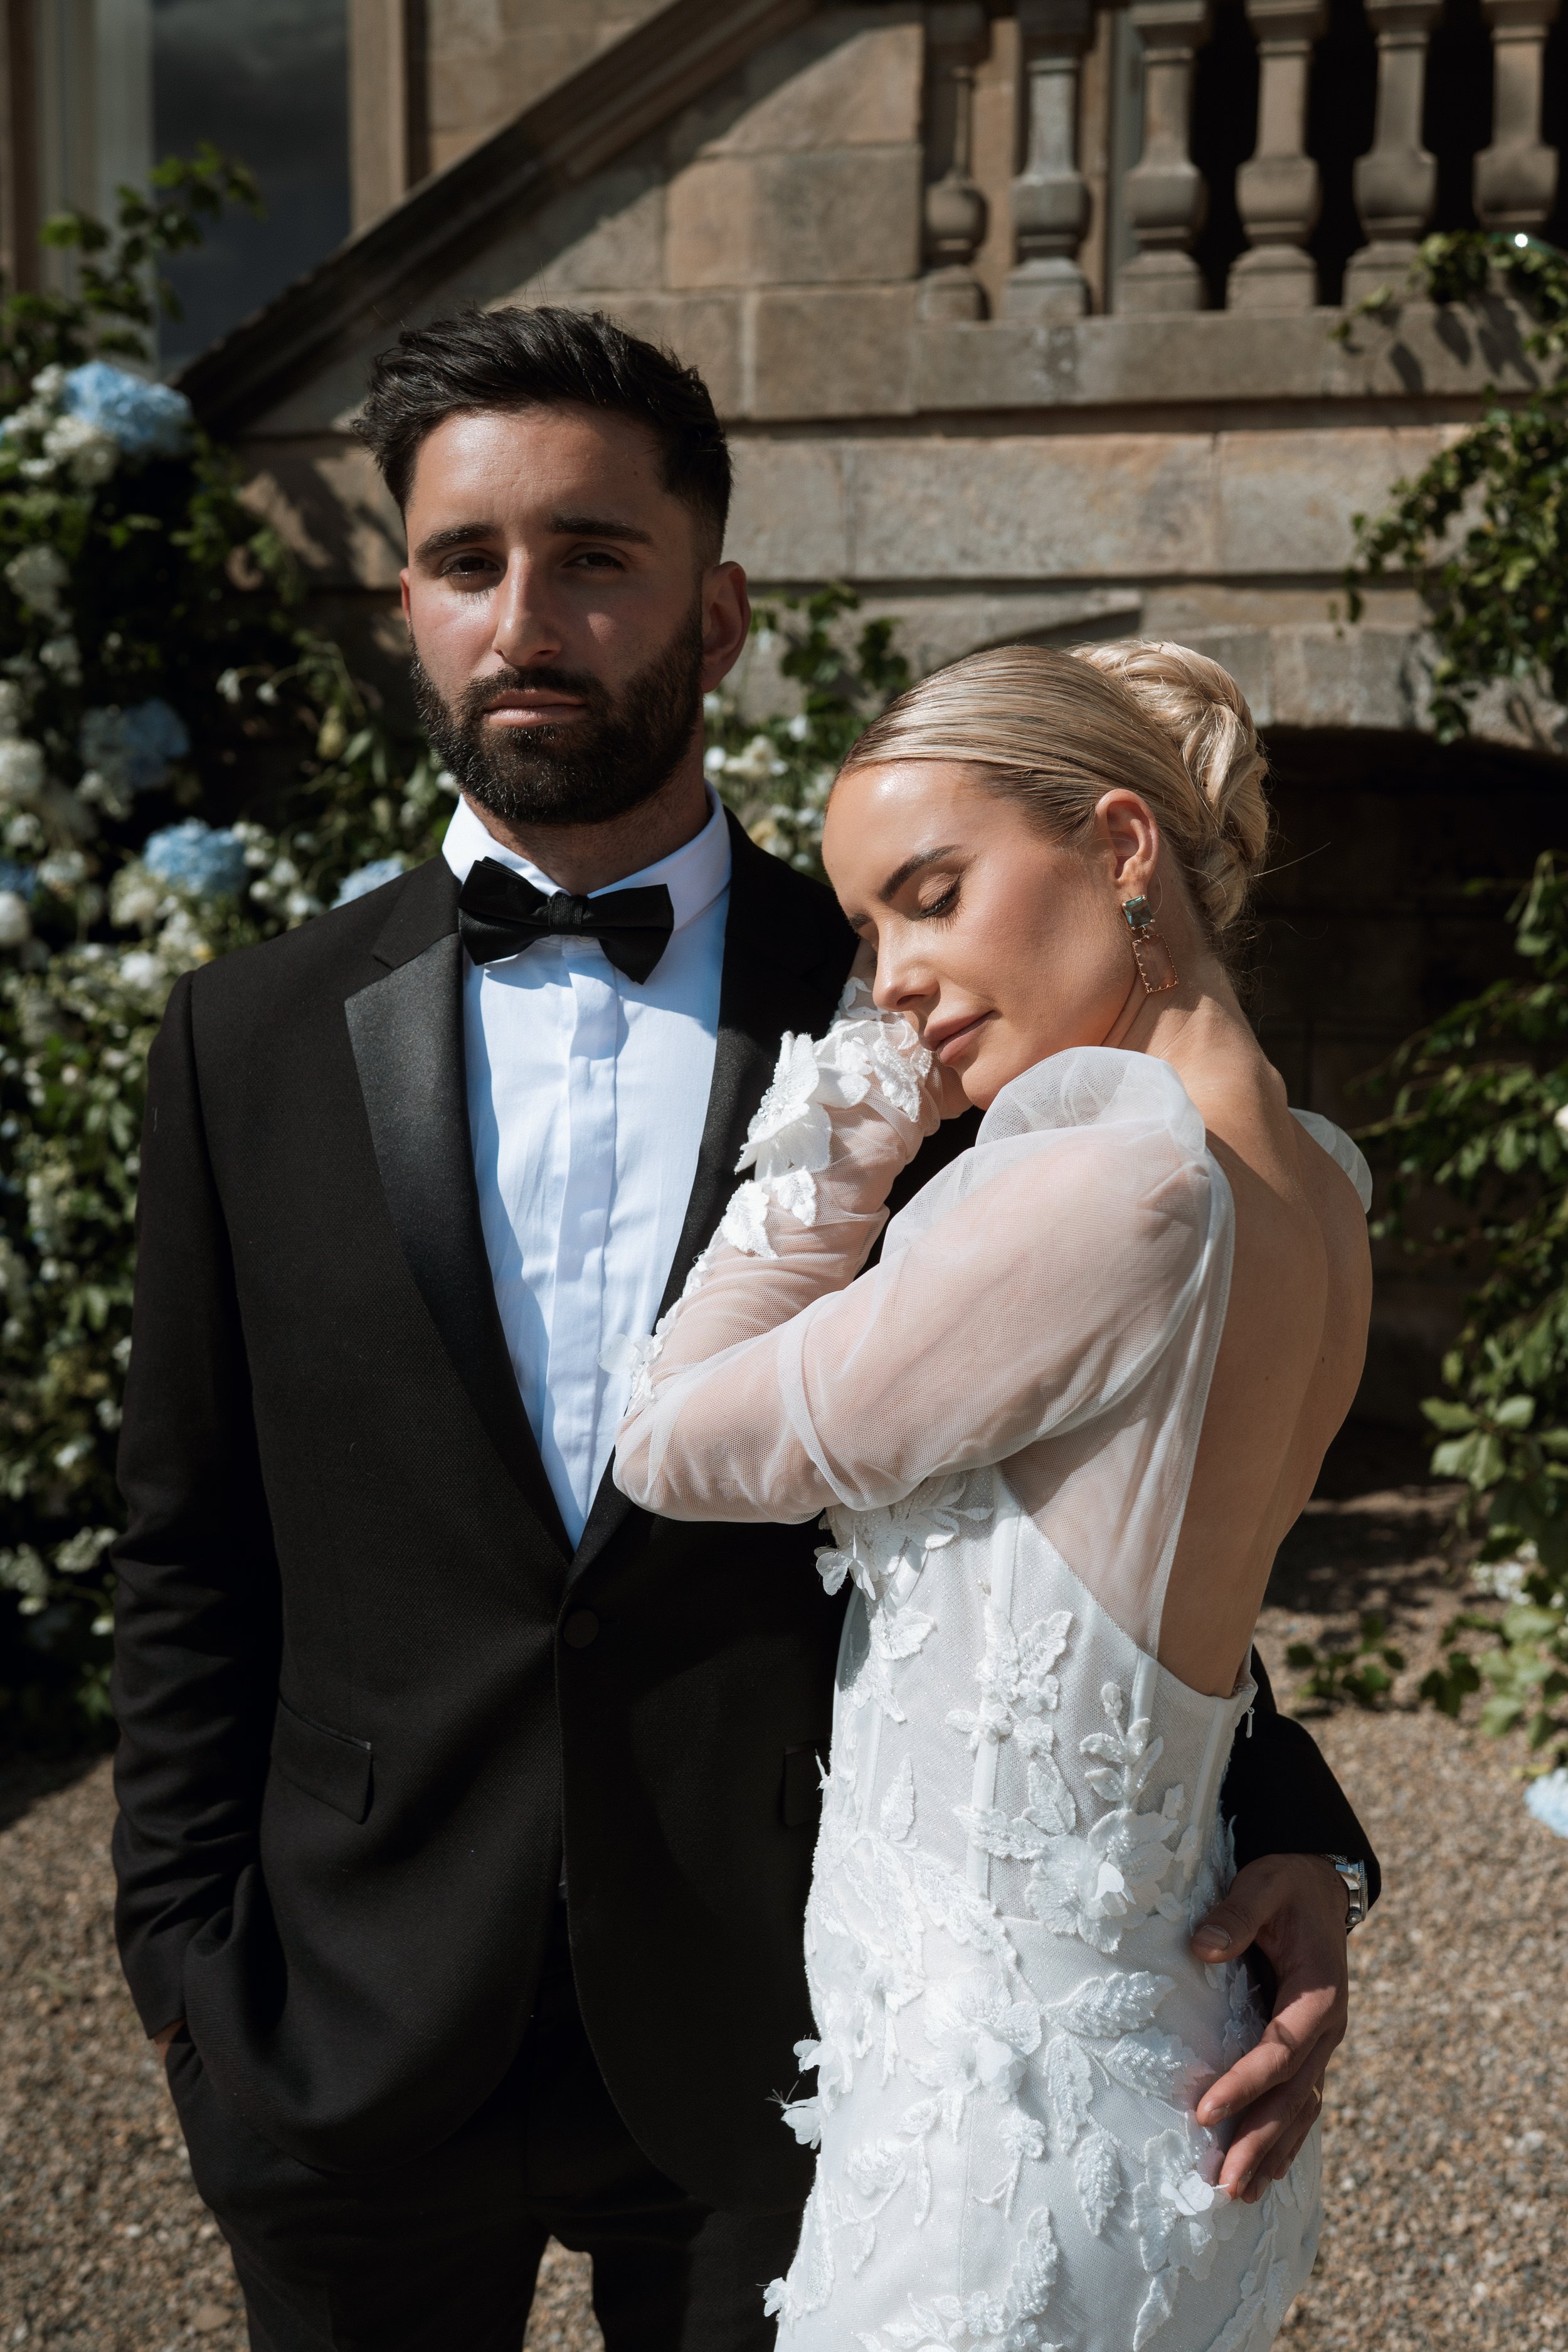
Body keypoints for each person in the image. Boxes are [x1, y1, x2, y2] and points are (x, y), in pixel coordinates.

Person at [109, 305, 1377, 2352]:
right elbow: (186, 1536)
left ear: (714, 618)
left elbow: (1113, 1474)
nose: (525, 615)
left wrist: (1281, 1827)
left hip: (789, 2041)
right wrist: (182, 1971)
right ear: (409, 607)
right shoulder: (242, 1035)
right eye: (464, 563)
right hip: (339, 2030)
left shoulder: (947, 1008)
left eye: (593, 558)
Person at [612, 638, 1376, 2349]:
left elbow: (667, 1440)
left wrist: (843, 1140)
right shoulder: (1319, 1183)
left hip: (994, 2157)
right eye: (868, 933)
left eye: (928, 898)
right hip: (1155, 2091)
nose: (886, 978)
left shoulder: (1102, 1172)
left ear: (1121, 848)